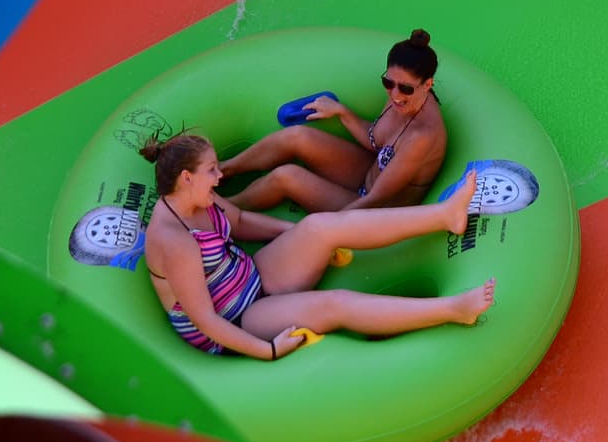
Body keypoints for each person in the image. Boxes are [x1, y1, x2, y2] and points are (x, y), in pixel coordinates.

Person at [141, 132, 494, 360]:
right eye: (212, 171)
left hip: (251, 275)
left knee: (320, 226)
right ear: (186, 178)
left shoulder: (198, 197)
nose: (220, 177)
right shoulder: (175, 242)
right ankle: (453, 309)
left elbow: (241, 221)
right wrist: (269, 350)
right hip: (237, 319)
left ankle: (445, 215)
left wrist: (297, 235)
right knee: (332, 304)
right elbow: (205, 320)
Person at [220, 29, 447, 212]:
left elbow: (376, 198)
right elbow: (376, 141)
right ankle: (223, 170)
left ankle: (224, 210)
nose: (395, 94)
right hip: (368, 173)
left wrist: (330, 228)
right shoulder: (403, 98)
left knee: (286, 176)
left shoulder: (422, 136)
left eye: (405, 88)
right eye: (388, 83)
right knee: (297, 136)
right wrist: (342, 112)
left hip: (378, 210)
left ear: (428, 84)